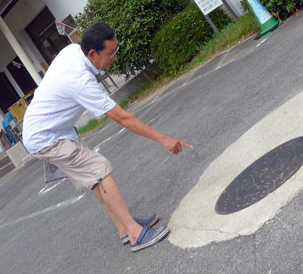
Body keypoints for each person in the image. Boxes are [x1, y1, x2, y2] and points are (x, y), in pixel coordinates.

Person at [22, 22, 192, 252]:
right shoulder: (80, 80)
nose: (114, 57)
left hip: (55, 130)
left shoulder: (73, 51)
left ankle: (124, 228)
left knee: (94, 176)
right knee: (100, 168)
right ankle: (135, 234)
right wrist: (164, 138)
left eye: (116, 50)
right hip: (46, 138)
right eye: (111, 53)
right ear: (92, 53)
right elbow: (122, 118)